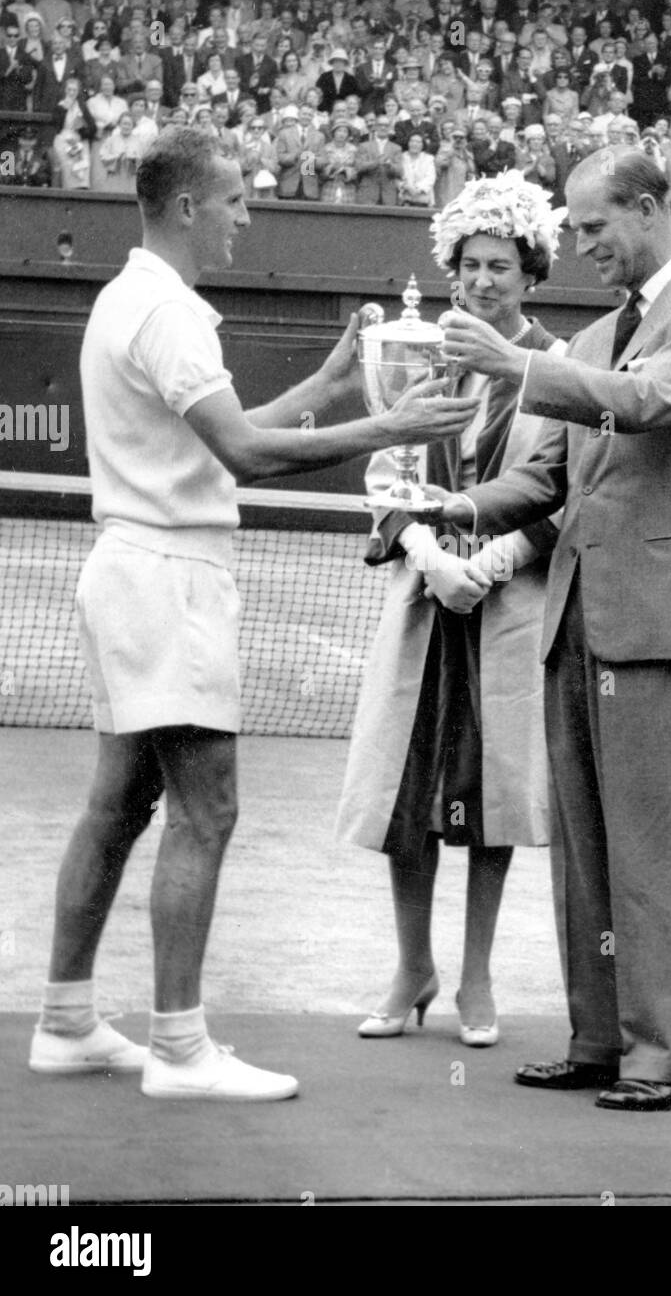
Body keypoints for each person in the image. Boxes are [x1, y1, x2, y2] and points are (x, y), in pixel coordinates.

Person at [27, 126, 480, 1102]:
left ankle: (66, 1019)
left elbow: (212, 438)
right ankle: (182, 1049)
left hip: (130, 571)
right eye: (234, 199)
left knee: (120, 804)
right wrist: (393, 424)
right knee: (208, 805)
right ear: (187, 206)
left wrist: (323, 389)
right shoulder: (172, 312)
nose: (246, 215)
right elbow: (242, 455)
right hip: (167, 581)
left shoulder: (130, 299)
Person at [434, 150, 671, 1111]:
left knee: (658, 849)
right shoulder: (587, 340)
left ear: (651, 209)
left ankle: (662, 1057)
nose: (580, 247)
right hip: (576, 617)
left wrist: (516, 362)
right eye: (573, 230)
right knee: (585, 849)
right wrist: (453, 507)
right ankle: (598, 1040)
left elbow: (647, 401)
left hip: (660, 621)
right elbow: (550, 482)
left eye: (593, 227)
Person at [336, 171, 567, 1047]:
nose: (480, 280)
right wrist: (427, 554)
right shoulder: (414, 353)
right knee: (409, 790)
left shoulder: (558, 364)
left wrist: (500, 556)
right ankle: (412, 968)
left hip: (511, 610)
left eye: (499, 264)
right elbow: (385, 469)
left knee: (490, 796)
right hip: (423, 600)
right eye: (467, 263)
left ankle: (475, 978)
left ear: (531, 269)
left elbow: (567, 490)